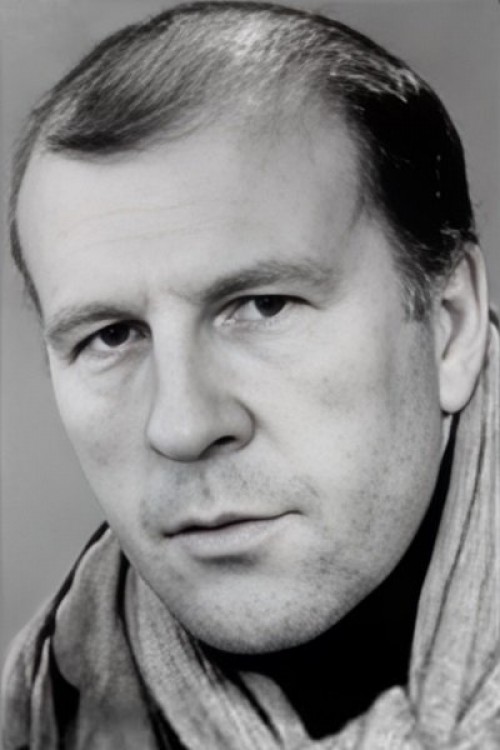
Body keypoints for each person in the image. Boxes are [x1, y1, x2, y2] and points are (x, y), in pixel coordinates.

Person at [2, 2, 499, 747]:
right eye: (112, 336)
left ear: (449, 326)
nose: (182, 426)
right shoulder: (44, 711)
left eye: (264, 306)